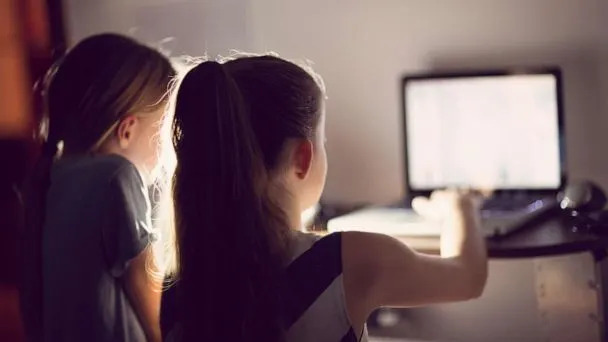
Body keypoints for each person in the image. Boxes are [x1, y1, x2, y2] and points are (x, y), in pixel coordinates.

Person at [161, 55, 488, 342]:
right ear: (303, 158)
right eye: (323, 140)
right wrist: (461, 206)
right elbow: (467, 277)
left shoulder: (172, 290)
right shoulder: (346, 261)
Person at [20, 33, 176, 342]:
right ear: (128, 129)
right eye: (162, 133)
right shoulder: (116, 176)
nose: (165, 154)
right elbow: (151, 299)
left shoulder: (51, 179)